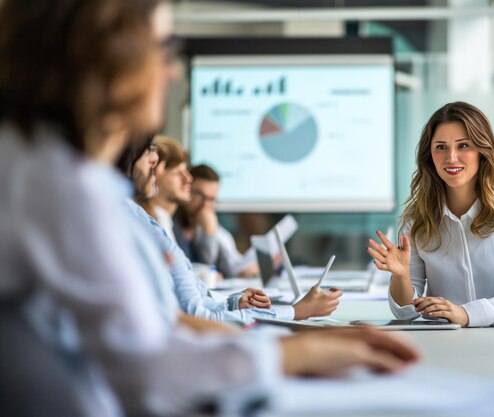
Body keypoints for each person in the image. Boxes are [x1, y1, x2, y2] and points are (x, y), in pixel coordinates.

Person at [0, 1, 419, 416]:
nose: (174, 70)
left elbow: (155, 328)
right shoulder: (56, 189)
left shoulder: (43, 170)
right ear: (107, 55)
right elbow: (148, 365)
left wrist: (290, 345)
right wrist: (295, 353)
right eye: (165, 47)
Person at [123, 136, 343, 323]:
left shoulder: (142, 218)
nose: (155, 161)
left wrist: (234, 302)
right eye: (148, 151)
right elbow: (196, 315)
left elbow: (198, 298)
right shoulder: (135, 225)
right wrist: (297, 311)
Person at [368, 101, 494, 328]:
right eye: (441, 147)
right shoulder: (417, 220)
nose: (451, 157)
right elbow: (405, 313)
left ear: (483, 150)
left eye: (463, 146)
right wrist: (401, 276)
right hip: (447, 347)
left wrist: (466, 314)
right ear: (429, 156)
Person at [174, 164, 260, 277]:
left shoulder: (213, 229)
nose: (205, 205)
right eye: (200, 195)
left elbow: (228, 269)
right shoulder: (171, 225)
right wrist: (208, 235)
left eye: (211, 199)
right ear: (187, 189)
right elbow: (205, 269)